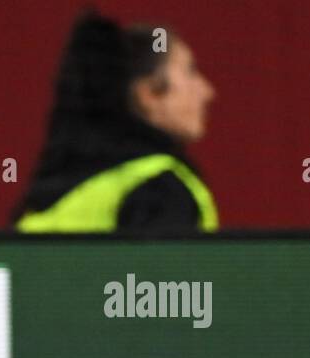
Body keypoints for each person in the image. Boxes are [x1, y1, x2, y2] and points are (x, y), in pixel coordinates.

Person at [13, 11, 218, 232]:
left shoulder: (45, 198)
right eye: (190, 72)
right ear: (148, 94)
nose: (207, 92)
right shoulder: (161, 189)